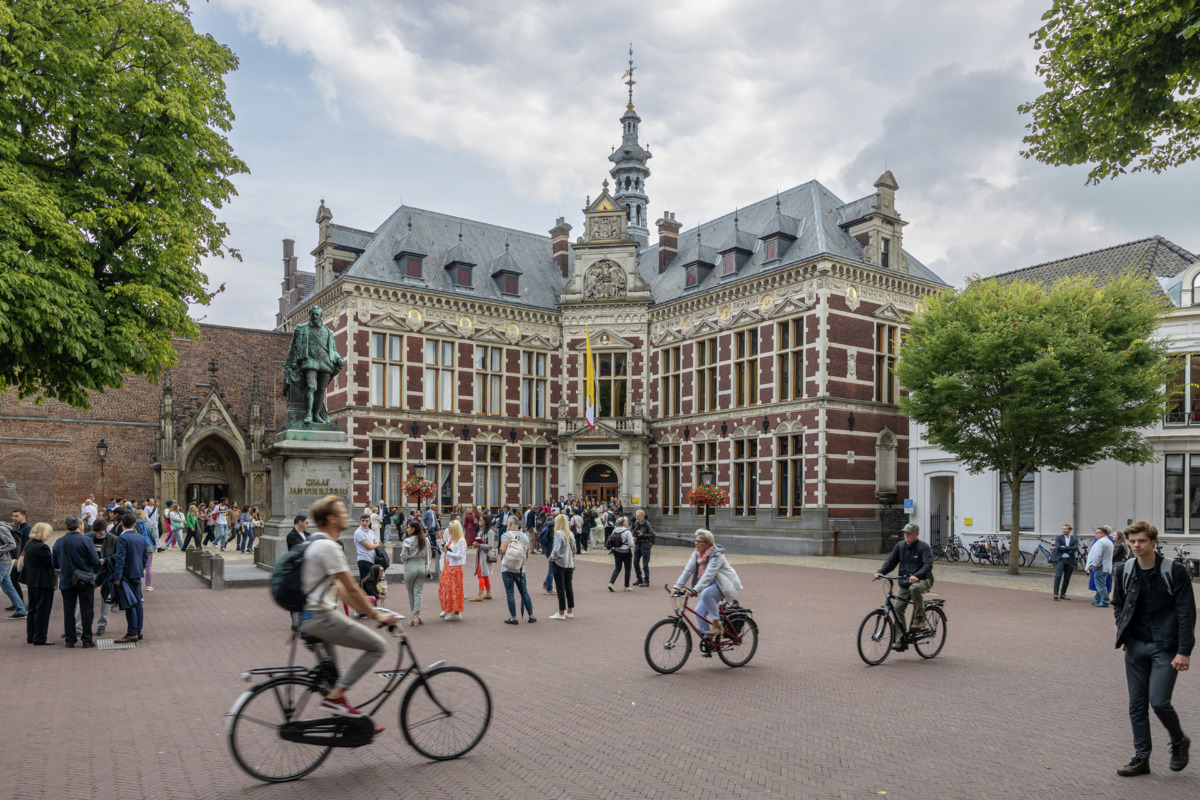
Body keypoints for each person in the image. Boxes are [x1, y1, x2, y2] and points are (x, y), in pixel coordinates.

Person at [297, 495, 398, 719]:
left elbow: (341, 591)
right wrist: (375, 615)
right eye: (342, 512)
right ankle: (335, 700)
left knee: (335, 678)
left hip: (310, 617)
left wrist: (366, 608)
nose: (347, 515)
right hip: (322, 617)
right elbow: (350, 588)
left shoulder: (314, 542)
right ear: (332, 518)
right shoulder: (328, 547)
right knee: (377, 646)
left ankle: (347, 722)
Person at [1112, 520, 1195, 777]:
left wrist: (1184, 650)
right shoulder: (1124, 570)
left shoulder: (1175, 571)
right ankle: (1141, 758)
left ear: (1153, 542)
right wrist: (1123, 628)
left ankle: (1179, 740)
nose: (1136, 546)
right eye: (1132, 541)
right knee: (1137, 705)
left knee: (1159, 702)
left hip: (1166, 647)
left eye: (1142, 541)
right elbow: (1118, 603)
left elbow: (1186, 613)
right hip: (1135, 646)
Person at [673, 529, 744, 648]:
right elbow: (688, 570)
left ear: (707, 543)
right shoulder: (696, 553)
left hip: (725, 585)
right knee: (699, 613)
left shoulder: (717, 555)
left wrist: (695, 590)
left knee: (706, 594)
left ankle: (717, 624)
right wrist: (677, 586)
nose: (696, 543)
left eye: (699, 541)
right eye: (695, 541)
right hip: (711, 586)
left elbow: (708, 575)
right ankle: (708, 642)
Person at [874, 522, 934, 649]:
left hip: (923, 579)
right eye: (905, 533)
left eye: (909, 533)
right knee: (897, 608)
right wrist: (881, 572)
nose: (906, 535)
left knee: (915, 588)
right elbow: (891, 562)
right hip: (905, 582)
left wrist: (917, 575)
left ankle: (920, 617)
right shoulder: (900, 546)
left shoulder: (924, 547)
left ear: (916, 534)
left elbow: (928, 565)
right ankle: (900, 639)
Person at [50, 515, 99, 648]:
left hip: (66, 580)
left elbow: (54, 563)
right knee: (87, 610)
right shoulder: (86, 540)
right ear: (79, 525)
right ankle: (87, 639)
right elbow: (95, 561)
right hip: (85, 579)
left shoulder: (59, 541)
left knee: (69, 610)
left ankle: (70, 640)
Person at [112, 512, 147, 644]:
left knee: (129, 602)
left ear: (121, 523)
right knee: (138, 602)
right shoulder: (141, 537)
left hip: (126, 574)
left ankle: (132, 632)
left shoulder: (122, 538)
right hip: (137, 573)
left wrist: (117, 576)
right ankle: (138, 630)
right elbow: (145, 557)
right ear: (134, 524)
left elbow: (120, 558)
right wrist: (140, 569)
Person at [22, 523, 56, 645]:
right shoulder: (42, 547)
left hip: (31, 581)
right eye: (48, 532)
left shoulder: (29, 544)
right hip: (43, 582)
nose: (49, 535)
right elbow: (50, 563)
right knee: (42, 610)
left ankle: (31, 635)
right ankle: (40, 637)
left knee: (32, 609)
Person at [89, 519, 119, 635]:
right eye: (96, 533)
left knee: (106, 599)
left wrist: (106, 561)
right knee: (84, 599)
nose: (98, 535)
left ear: (106, 529)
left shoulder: (113, 539)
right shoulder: (87, 537)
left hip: (106, 572)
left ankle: (102, 625)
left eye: (100, 533)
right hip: (90, 572)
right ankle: (79, 626)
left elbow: (116, 556)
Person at [398, 519, 429, 626]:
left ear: (413, 529)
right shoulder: (425, 540)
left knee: (410, 592)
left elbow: (403, 555)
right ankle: (417, 614)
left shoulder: (407, 541)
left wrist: (405, 560)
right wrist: (426, 568)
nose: (407, 529)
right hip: (421, 566)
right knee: (418, 592)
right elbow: (428, 556)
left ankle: (414, 616)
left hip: (410, 566)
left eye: (408, 527)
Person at [548, 513, 575, 619]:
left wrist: (552, 558)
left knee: (560, 587)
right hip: (569, 563)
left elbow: (555, 550)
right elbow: (575, 549)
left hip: (560, 563)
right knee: (569, 587)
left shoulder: (558, 533)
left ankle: (561, 612)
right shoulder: (570, 533)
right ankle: (570, 611)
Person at [438, 520, 467, 621]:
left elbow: (458, 556)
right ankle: (447, 608)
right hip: (448, 566)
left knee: (455, 589)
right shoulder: (451, 540)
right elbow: (445, 549)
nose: (449, 530)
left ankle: (456, 612)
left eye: (451, 528)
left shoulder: (461, 541)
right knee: (445, 588)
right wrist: (441, 540)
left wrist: (447, 553)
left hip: (455, 568)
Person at [0, 518, 26, 620]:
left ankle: (21, 610)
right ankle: (20, 610)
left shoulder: (1, 528)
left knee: (9, 589)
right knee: (9, 589)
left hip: (2, 563)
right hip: (3, 562)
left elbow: (11, 544)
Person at [1088, 526, 1115, 607]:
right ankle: (1097, 599)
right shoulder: (1109, 541)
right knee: (1101, 584)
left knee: (1100, 585)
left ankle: (1104, 601)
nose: (1095, 534)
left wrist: (1095, 565)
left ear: (1103, 533)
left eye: (1097, 533)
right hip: (1106, 566)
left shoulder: (1100, 542)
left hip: (1100, 566)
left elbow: (1098, 555)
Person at [469, 517, 495, 602]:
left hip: (485, 555)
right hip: (480, 555)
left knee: (481, 574)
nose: (479, 521)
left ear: (486, 521)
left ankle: (480, 594)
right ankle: (488, 593)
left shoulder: (490, 532)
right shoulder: (481, 531)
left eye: (481, 520)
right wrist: (475, 544)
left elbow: (491, 546)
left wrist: (479, 545)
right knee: (485, 574)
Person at [606, 515, 635, 591]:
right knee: (627, 569)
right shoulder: (627, 531)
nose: (627, 523)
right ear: (624, 523)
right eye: (627, 522)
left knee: (617, 568)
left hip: (616, 551)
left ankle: (611, 583)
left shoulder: (614, 530)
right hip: (626, 552)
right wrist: (632, 541)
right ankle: (626, 586)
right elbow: (631, 544)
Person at [1052, 523, 1079, 600]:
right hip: (1060, 560)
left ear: (1070, 530)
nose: (1063, 530)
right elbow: (1058, 548)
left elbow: (1075, 548)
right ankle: (1056, 593)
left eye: (1065, 529)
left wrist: (1064, 547)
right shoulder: (1059, 537)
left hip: (1069, 560)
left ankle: (1063, 594)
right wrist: (1069, 550)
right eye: (1063, 529)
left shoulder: (1074, 539)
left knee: (1067, 578)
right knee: (1058, 576)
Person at [631, 509, 655, 587]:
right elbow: (634, 531)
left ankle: (647, 580)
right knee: (635, 562)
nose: (636, 517)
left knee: (645, 564)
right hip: (638, 544)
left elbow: (652, 534)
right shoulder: (636, 523)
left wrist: (643, 535)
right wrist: (633, 537)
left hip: (645, 545)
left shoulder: (647, 524)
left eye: (637, 516)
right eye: (636, 516)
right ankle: (639, 578)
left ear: (642, 516)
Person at [353, 512, 380, 582]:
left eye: (366, 521)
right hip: (364, 559)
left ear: (369, 522)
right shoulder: (358, 532)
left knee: (370, 581)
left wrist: (375, 544)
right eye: (363, 521)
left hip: (371, 559)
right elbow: (369, 546)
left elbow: (374, 542)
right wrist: (377, 545)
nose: (365, 522)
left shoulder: (370, 531)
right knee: (365, 581)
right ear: (360, 521)